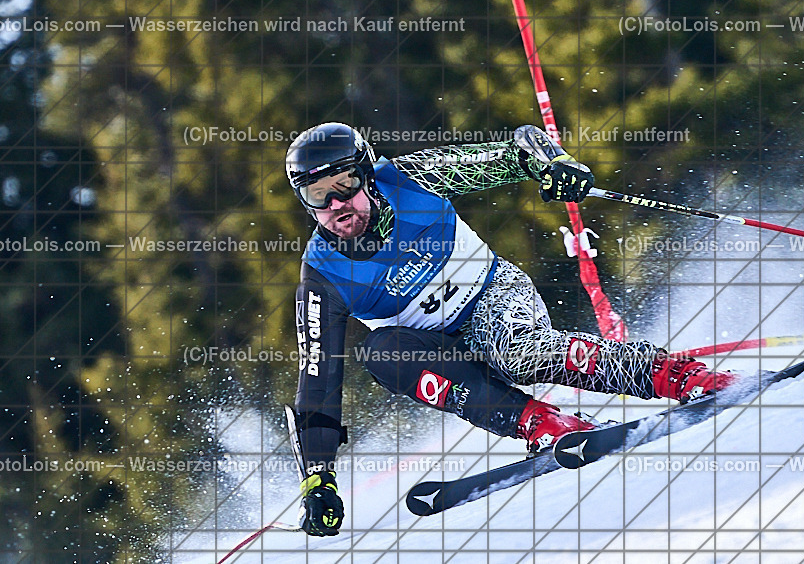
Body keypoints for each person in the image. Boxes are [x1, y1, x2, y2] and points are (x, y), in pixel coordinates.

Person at [284, 122, 735, 536]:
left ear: (368, 174)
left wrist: (554, 164)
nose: (337, 204)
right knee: (381, 354)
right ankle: (545, 425)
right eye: (319, 195)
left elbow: (515, 150)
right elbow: (318, 378)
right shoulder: (323, 275)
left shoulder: (411, 178)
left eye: (345, 185)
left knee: (516, 352)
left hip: (492, 297)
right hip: (444, 353)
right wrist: (318, 479)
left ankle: (677, 376)